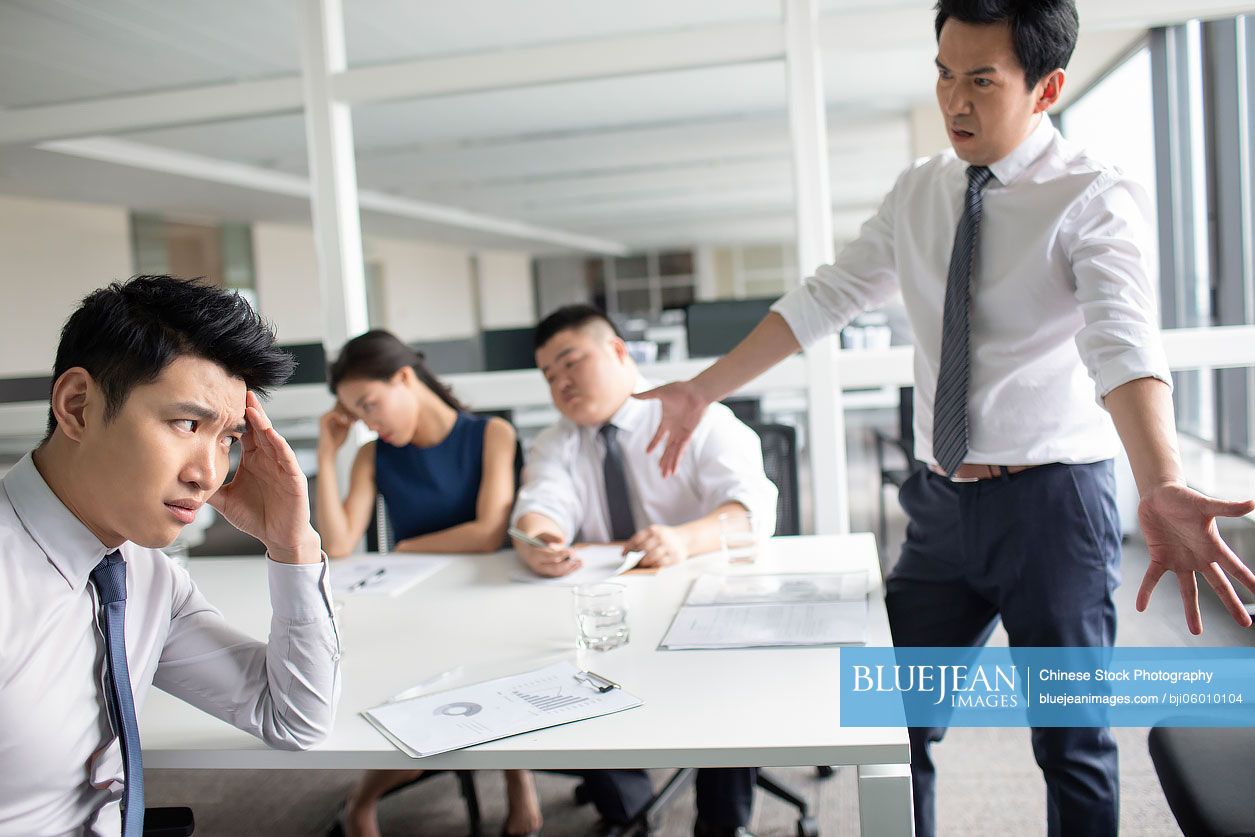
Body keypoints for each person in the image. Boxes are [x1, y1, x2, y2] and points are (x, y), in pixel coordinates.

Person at [637, 2, 1255, 835]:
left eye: (979, 81)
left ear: (1047, 88)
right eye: (941, 74)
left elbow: (1122, 344)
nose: (952, 101)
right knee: (895, 721)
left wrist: (1163, 480)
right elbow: (825, 298)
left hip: (1053, 508)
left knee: (1070, 742)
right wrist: (699, 389)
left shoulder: (1091, 197)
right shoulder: (919, 189)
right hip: (939, 508)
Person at [0, 275, 340, 837]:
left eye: (228, 438)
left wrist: (292, 544)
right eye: (187, 424)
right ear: (78, 406)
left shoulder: (142, 574)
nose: (207, 473)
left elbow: (294, 717)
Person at [510, 305, 778, 837]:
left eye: (570, 364)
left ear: (616, 351)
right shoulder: (556, 442)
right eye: (548, 376)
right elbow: (541, 504)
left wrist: (682, 538)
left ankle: (723, 825)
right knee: (557, 664)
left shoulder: (697, 415)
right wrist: (539, 540)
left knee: (728, 674)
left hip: (705, 608)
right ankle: (628, 809)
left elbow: (752, 511)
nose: (560, 383)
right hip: (609, 610)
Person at [315, 329, 541, 837]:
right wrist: (327, 455)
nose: (370, 423)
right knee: (406, 704)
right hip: (419, 603)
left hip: (491, 598)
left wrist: (406, 548)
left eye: (371, 405)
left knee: (498, 667)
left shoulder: (492, 435)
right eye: (358, 416)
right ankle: (362, 798)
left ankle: (516, 774)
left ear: (404, 377)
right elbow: (340, 544)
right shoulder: (375, 456)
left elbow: (487, 534)